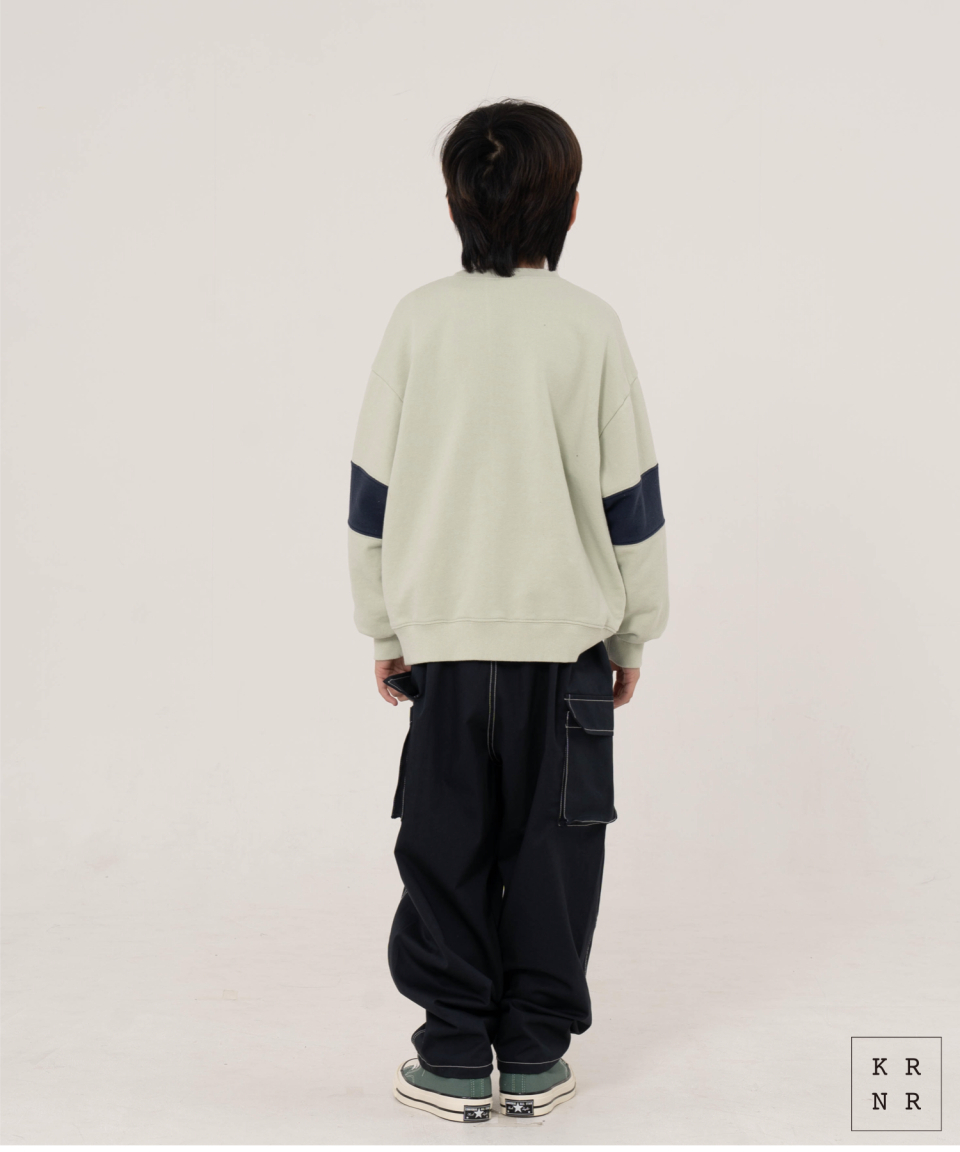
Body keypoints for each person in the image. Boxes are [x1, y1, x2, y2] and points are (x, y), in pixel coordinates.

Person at [346, 99, 669, 1123]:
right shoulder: (590, 326)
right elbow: (632, 498)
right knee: (555, 851)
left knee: (443, 845)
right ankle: (532, 1053)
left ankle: (451, 1052)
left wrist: (385, 626)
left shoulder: (418, 321)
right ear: (570, 207)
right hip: (569, 650)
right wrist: (634, 630)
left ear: (455, 203)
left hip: (442, 647)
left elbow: (372, 491)